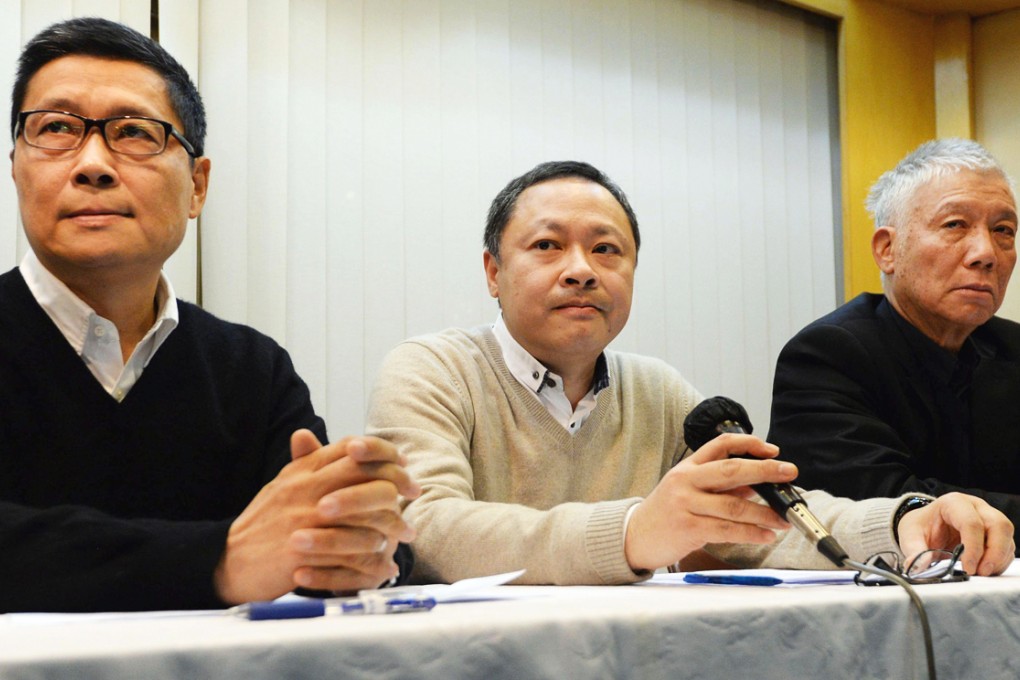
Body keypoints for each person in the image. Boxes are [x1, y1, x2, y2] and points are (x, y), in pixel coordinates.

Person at [366, 159, 1014, 586]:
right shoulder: (433, 370)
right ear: (492, 272)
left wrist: (902, 523)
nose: (581, 269)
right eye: (546, 245)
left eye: (607, 249)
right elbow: (430, 530)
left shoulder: (661, 392)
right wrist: (632, 533)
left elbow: (762, 521)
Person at [0, 17, 419, 613]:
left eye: (135, 133)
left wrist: (356, 525)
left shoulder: (251, 368)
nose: (92, 163)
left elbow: (319, 542)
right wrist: (222, 558)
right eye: (57, 128)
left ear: (197, 187)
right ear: (16, 164)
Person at [768, 138, 1020, 544]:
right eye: (955, 225)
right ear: (888, 250)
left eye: (1003, 230)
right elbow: (884, 505)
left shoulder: (1011, 347)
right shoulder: (827, 354)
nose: (985, 252)